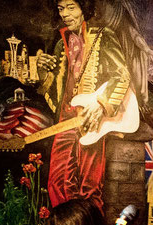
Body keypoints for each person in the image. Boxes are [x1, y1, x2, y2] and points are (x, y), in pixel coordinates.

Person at [35, 0, 143, 210]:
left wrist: (101, 105)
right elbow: (57, 96)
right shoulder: (60, 43)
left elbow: (122, 76)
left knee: (90, 187)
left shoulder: (103, 36)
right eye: (61, 9)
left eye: (71, 7)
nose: (65, 14)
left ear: (84, 8)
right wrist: (43, 74)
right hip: (66, 122)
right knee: (56, 184)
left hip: (92, 122)